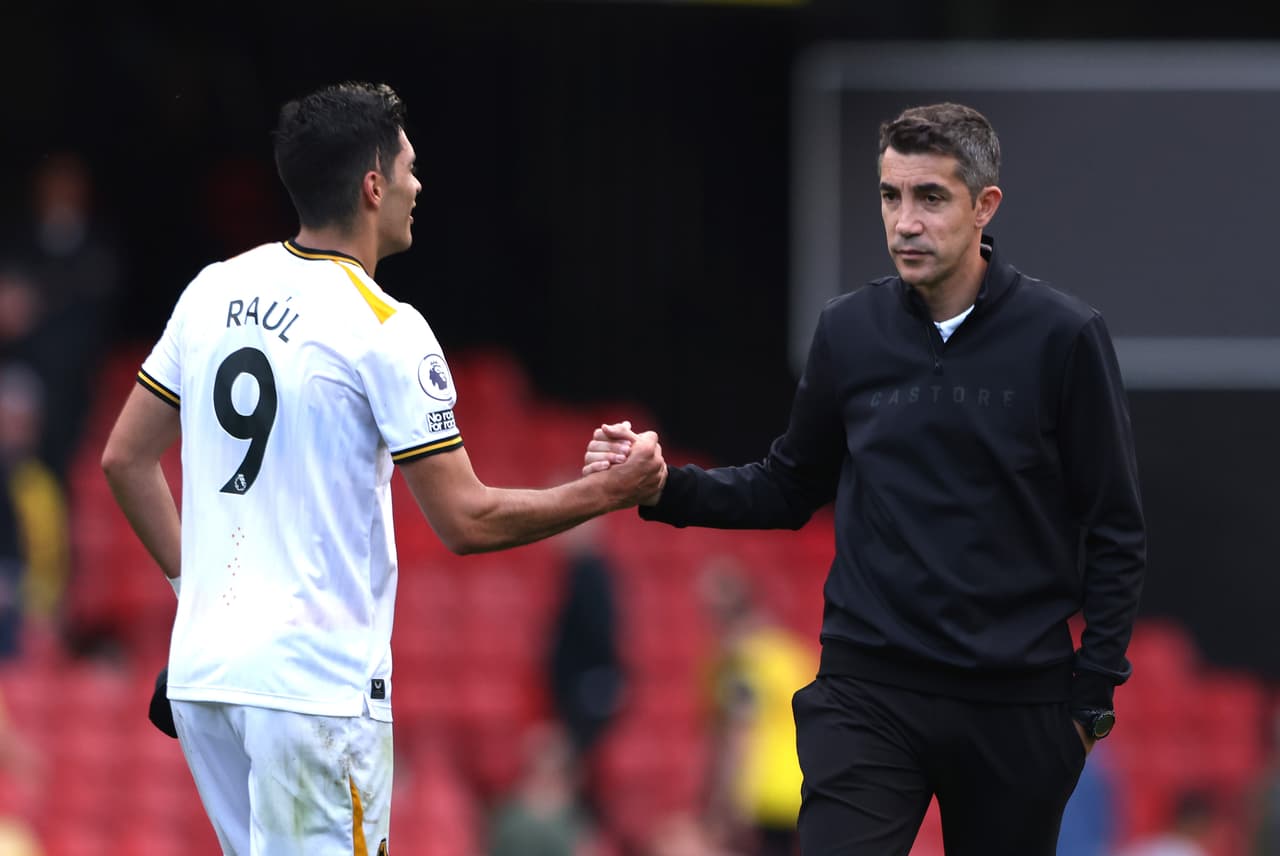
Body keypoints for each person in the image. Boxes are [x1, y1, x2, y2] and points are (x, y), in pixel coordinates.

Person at [100, 80, 665, 856]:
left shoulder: (213, 291)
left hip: (206, 676)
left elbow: (125, 458)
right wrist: (607, 492)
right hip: (312, 692)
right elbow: (465, 520)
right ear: (373, 187)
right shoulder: (384, 327)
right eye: (407, 169)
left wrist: (190, 590)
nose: (417, 186)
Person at [584, 102, 1146, 854]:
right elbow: (789, 486)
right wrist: (662, 486)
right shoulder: (848, 331)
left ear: (985, 206)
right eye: (891, 196)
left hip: (1018, 707)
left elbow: (1116, 528)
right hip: (868, 692)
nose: (905, 221)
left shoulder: (1064, 337)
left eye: (930, 197)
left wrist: (1090, 706)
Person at [696, 556, 813, 856]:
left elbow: (740, 732)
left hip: (764, 795)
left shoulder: (740, 662)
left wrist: (728, 803)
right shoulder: (787, 651)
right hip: (803, 787)